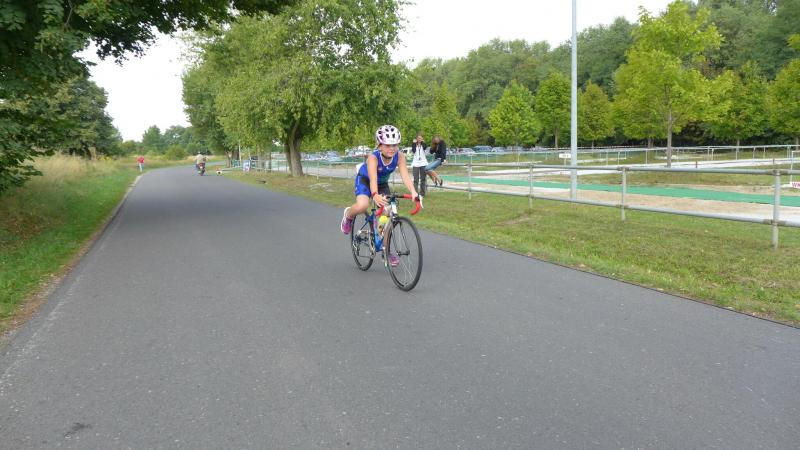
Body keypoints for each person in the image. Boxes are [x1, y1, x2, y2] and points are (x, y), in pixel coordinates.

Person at [340, 125, 419, 266]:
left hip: (382, 184)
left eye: (395, 145)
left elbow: (405, 176)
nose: (392, 148)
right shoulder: (373, 158)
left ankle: (385, 251)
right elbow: (373, 178)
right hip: (366, 180)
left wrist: (413, 192)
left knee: (387, 214)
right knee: (363, 205)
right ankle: (348, 215)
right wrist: (375, 195)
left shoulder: (400, 157)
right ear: (379, 146)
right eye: (388, 145)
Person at [408, 132, 428, 196]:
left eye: (420, 138)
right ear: (416, 138)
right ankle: (415, 193)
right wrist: (414, 143)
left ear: (422, 139)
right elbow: (414, 150)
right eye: (418, 138)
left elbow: (425, 148)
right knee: (416, 179)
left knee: (423, 179)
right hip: (416, 163)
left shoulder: (423, 144)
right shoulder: (414, 144)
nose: (419, 139)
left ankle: (422, 193)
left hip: (423, 163)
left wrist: (423, 142)